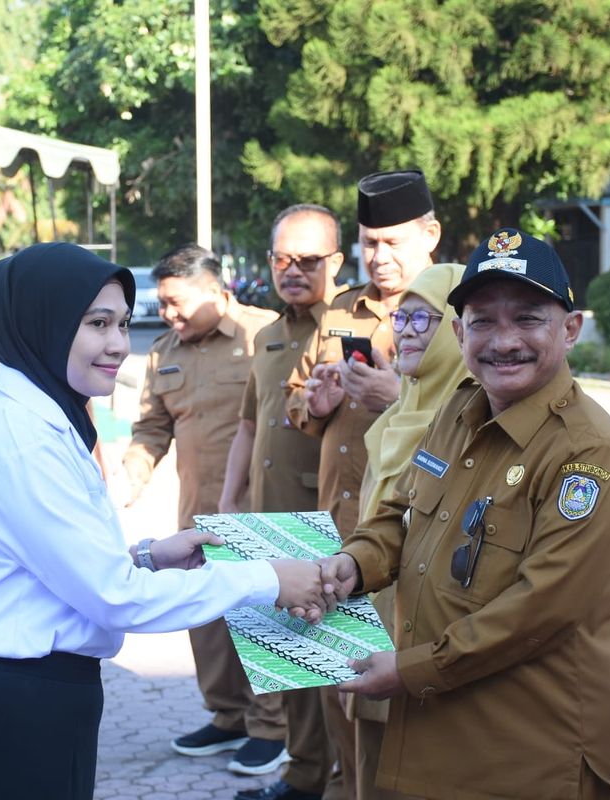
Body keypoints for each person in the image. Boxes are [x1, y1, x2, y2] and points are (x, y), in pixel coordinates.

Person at [0, 243, 330, 800]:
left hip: (30, 705)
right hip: (5, 719)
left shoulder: (43, 420)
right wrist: (267, 579)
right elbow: (114, 598)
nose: (119, 345)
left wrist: (146, 557)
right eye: (97, 324)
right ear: (43, 324)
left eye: (123, 324)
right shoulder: (27, 443)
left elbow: (51, 573)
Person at [320, 229, 610, 800]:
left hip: (530, 755)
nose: (504, 341)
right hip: (438, 734)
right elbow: (400, 513)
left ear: (570, 329)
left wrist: (410, 670)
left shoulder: (589, 456)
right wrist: (356, 563)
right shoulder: (459, 411)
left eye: (528, 319)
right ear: (458, 333)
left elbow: (539, 610)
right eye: (483, 322)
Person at [282, 169, 446, 800]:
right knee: (338, 693)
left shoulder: (459, 307)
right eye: (369, 243)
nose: (379, 257)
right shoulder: (339, 311)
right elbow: (295, 401)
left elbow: (475, 410)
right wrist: (316, 404)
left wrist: (394, 395)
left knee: (395, 708)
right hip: (338, 530)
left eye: (393, 242)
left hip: (408, 545)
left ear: (431, 235)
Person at [119, 244, 288, 776]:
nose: (168, 313)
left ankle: (273, 728)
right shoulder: (163, 351)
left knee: (263, 615)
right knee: (207, 620)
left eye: (177, 303)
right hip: (198, 512)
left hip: (263, 509)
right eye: (163, 303)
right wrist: (134, 471)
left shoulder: (267, 332)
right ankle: (228, 716)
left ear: (215, 291)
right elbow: (152, 427)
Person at [219, 205, 344, 800]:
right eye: (281, 259)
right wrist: (229, 502)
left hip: (329, 518)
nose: (292, 270)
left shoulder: (349, 328)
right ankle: (302, 775)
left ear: (336, 262)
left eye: (308, 260)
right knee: (287, 655)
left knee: (335, 662)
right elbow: (249, 425)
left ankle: (341, 781)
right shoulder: (266, 335)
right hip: (270, 517)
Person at [348, 264, 466, 800]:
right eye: (402, 316)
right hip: (371, 630)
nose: (407, 331)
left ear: (457, 331)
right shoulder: (397, 417)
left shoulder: (469, 424)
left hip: (430, 651)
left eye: (425, 318)